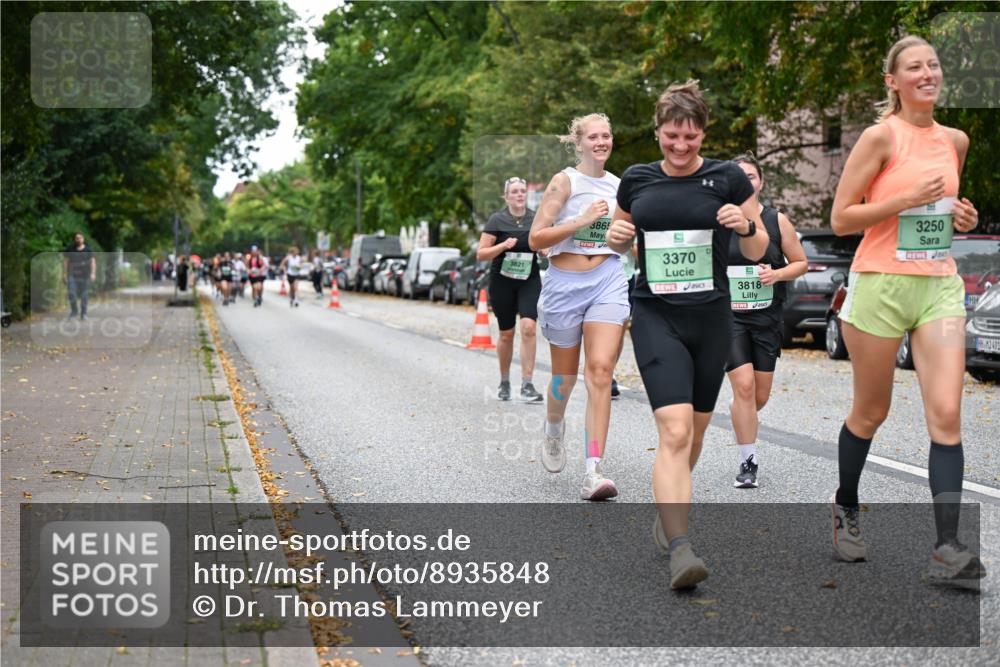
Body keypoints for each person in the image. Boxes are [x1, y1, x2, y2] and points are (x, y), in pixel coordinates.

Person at [828, 35, 984, 587]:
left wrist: (959, 218)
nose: (927, 73)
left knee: (946, 414)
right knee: (872, 412)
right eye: (913, 68)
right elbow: (843, 217)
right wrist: (902, 199)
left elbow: (942, 211)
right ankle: (845, 502)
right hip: (880, 284)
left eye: (933, 65)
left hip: (938, 284)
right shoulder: (880, 137)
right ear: (893, 82)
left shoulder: (956, 140)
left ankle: (948, 546)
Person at [606, 80, 768, 589]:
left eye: (690, 137)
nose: (680, 147)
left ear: (703, 135)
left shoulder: (726, 179)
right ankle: (682, 550)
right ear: (657, 132)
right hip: (656, 314)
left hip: (713, 317)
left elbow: (761, 246)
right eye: (672, 136)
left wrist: (743, 225)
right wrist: (614, 238)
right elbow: (618, 234)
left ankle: (668, 509)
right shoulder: (636, 179)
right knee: (674, 431)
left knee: (694, 434)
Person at [528, 113, 629, 501]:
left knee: (601, 373)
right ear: (579, 142)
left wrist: (624, 237)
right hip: (564, 284)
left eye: (606, 135)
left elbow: (618, 242)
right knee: (563, 379)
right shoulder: (564, 181)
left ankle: (593, 471)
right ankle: (554, 427)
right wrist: (580, 221)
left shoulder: (620, 187)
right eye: (593, 136)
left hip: (606, 278)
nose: (601, 141)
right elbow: (537, 238)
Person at [724, 152, 808, 488]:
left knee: (758, 396)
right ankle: (748, 462)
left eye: (751, 176)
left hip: (767, 319)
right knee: (743, 386)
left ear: (761, 182)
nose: (746, 182)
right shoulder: (718, 221)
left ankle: (742, 411)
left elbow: (800, 263)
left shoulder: (777, 221)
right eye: (739, 177)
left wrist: (777, 274)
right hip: (728, 318)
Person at [477, 177, 544, 402]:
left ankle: (527, 384)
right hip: (502, 281)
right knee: (506, 334)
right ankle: (504, 381)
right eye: (514, 191)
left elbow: (546, 245)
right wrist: (502, 246)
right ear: (506, 197)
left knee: (528, 327)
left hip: (529, 279)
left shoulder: (536, 218)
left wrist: (545, 249)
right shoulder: (497, 220)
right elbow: (481, 253)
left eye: (522, 191)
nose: (519, 194)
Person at [63, 232, 96, 320]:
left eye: (80, 237)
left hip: (85, 276)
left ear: (83, 239)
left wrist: (93, 273)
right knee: (72, 293)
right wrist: (64, 274)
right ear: (75, 239)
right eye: (77, 238)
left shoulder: (89, 250)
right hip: (72, 275)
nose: (78, 239)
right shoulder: (70, 249)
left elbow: (92, 262)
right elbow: (66, 262)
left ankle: (84, 313)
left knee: (84, 295)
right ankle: (74, 312)